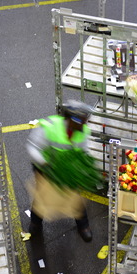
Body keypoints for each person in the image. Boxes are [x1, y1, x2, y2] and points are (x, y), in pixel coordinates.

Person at [26, 100, 95, 242]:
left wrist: (83, 169)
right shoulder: (50, 127)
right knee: (41, 198)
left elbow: (83, 150)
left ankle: (83, 226)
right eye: (81, 121)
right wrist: (45, 164)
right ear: (71, 119)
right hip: (46, 169)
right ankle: (35, 223)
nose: (84, 125)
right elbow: (33, 146)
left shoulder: (82, 131)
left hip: (68, 171)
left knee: (75, 197)